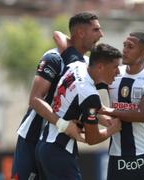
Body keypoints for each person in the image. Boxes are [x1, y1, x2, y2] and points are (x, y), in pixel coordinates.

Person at [11, 12, 103, 180]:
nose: (101, 35)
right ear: (81, 32)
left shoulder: (88, 65)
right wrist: (63, 125)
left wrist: (110, 119)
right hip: (32, 137)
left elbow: (88, 104)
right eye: (96, 30)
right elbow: (35, 99)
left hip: (59, 143)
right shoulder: (54, 58)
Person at [36, 43, 122, 179]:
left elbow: (81, 105)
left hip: (45, 144)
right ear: (100, 67)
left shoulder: (76, 65)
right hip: (58, 151)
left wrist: (105, 115)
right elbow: (92, 138)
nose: (118, 72)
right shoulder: (89, 95)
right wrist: (112, 130)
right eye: (115, 67)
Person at [98, 32, 144, 180]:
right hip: (118, 159)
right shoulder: (112, 73)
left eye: (130, 47)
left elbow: (141, 115)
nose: (125, 50)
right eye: (124, 45)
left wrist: (108, 110)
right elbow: (85, 94)